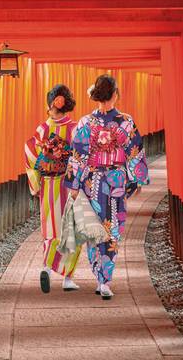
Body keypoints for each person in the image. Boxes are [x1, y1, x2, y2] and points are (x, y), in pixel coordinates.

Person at [65, 74, 150, 300]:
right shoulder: (125, 121)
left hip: (92, 181)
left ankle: (99, 276)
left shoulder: (85, 123)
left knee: (95, 229)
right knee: (112, 230)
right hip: (115, 181)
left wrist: (75, 185)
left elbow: (78, 155)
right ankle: (105, 280)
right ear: (115, 94)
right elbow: (135, 152)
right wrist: (136, 178)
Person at [24, 84, 83, 293]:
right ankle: (68, 278)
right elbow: (80, 157)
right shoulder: (75, 128)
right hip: (70, 184)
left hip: (49, 184)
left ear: (50, 104)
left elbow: (31, 154)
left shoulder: (42, 129)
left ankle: (47, 268)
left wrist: (36, 182)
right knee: (73, 229)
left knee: (51, 227)